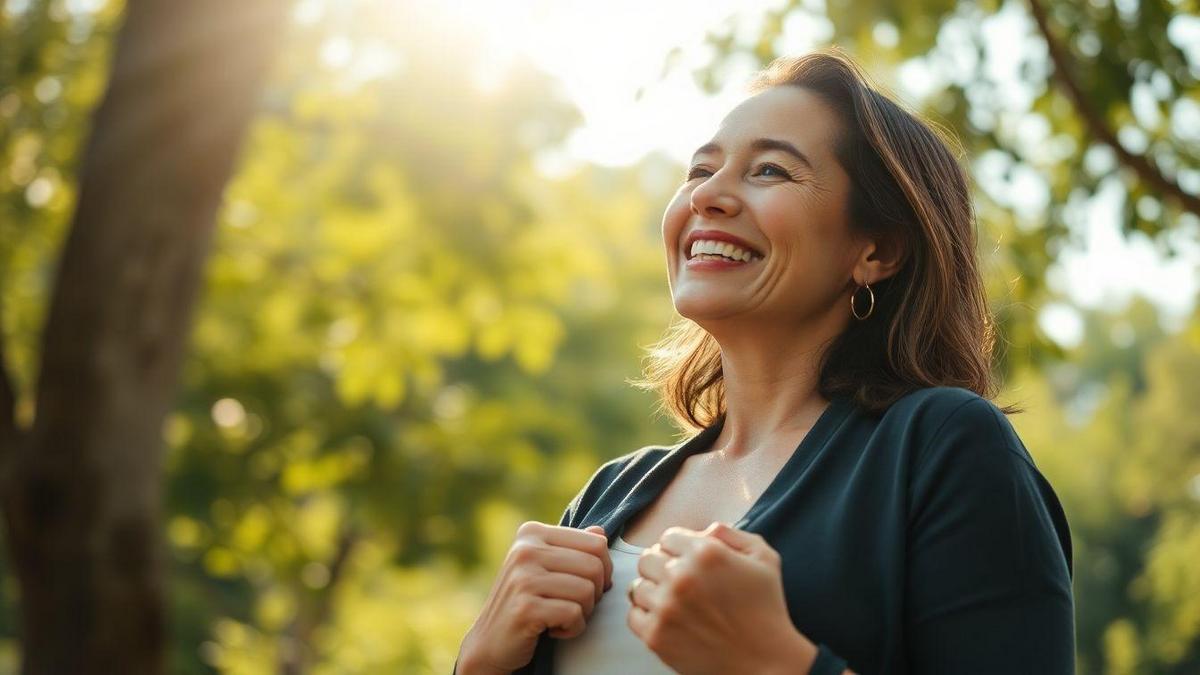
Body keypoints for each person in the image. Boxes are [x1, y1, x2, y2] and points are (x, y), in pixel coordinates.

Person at [454, 48, 1075, 675]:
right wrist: (478, 662)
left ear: (876, 249)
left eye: (771, 171)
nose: (710, 196)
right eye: (700, 169)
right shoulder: (608, 493)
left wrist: (774, 663)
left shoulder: (942, 446)